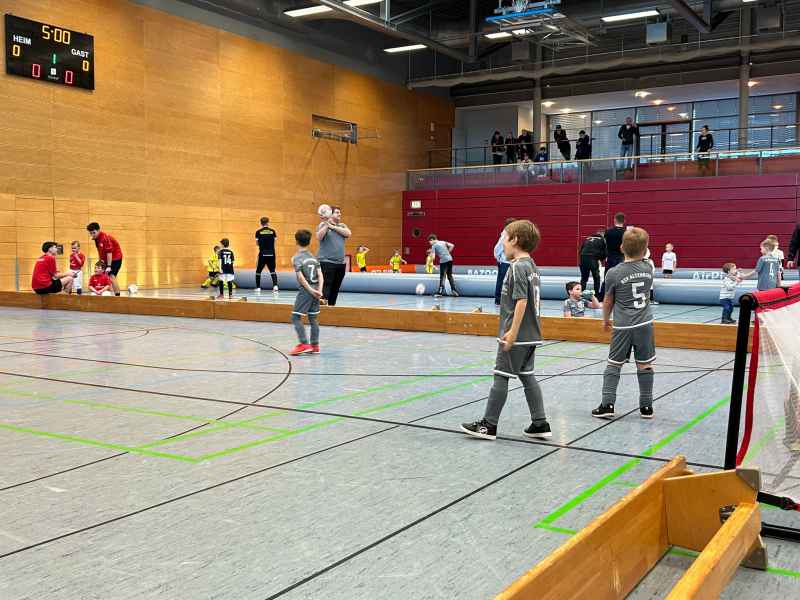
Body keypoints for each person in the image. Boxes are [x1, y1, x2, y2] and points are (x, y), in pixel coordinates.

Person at [460, 220, 550, 440]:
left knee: (500, 376)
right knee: (527, 377)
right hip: (531, 335)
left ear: (515, 240)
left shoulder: (517, 267)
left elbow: (521, 301)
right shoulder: (531, 265)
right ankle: (540, 423)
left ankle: (488, 425)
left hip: (516, 334)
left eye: (504, 239)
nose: (502, 244)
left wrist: (512, 332)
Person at [592, 227, 656, 420]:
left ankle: (607, 404)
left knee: (614, 364)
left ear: (621, 247)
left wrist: (605, 320)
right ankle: (646, 407)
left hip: (623, 326)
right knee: (644, 364)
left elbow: (608, 300)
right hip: (645, 324)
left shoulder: (614, 273)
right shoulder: (648, 268)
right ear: (645, 249)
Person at [289, 229, 323, 356]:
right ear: (309, 242)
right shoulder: (314, 258)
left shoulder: (296, 258)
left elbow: (301, 278)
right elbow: (320, 275)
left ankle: (303, 344)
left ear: (296, 241)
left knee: (295, 317)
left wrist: (311, 290)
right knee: (313, 318)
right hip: (316, 291)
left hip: (306, 291)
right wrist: (319, 291)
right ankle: (315, 345)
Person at [317, 205, 351, 306]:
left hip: (340, 264)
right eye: (337, 212)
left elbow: (348, 234)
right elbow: (319, 237)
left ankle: (332, 308)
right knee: (326, 287)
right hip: (327, 262)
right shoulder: (322, 225)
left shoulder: (342, 225)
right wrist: (327, 225)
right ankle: (322, 307)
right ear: (330, 214)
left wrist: (333, 227)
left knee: (335, 289)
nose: (340, 214)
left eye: (340, 212)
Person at [86, 222, 122, 296]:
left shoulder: (105, 238)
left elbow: (109, 253)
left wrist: (109, 266)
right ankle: (104, 293)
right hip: (107, 259)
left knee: (111, 276)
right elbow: (100, 250)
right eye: (91, 233)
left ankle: (118, 297)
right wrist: (101, 261)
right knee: (104, 275)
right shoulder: (96, 238)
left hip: (115, 258)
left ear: (98, 230)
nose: (92, 235)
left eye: (94, 233)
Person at [599, 212, 626, 301]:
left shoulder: (608, 231)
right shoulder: (626, 233)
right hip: (621, 257)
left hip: (610, 257)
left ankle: (602, 296)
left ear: (614, 220)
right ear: (624, 221)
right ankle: (619, 297)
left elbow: (604, 244)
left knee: (607, 277)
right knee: (621, 278)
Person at [493, 217, 516, 305]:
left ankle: (507, 299)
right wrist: (498, 258)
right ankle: (498, 299)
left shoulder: (513, 234)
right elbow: (498, 248)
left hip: (510, 262)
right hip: (505, 262)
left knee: (509, 281)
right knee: (502, 280)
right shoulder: (505, 235)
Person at [255, 217, 278, 293]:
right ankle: (275, 286)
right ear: (268, 222)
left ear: (261, 223)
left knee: (258, 271)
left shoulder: (258, 232)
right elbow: (274, 241)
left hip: (262, 253)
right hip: (271, 252)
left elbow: (257, 243)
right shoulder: (273, 231)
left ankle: (258, 287)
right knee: (272, 270)